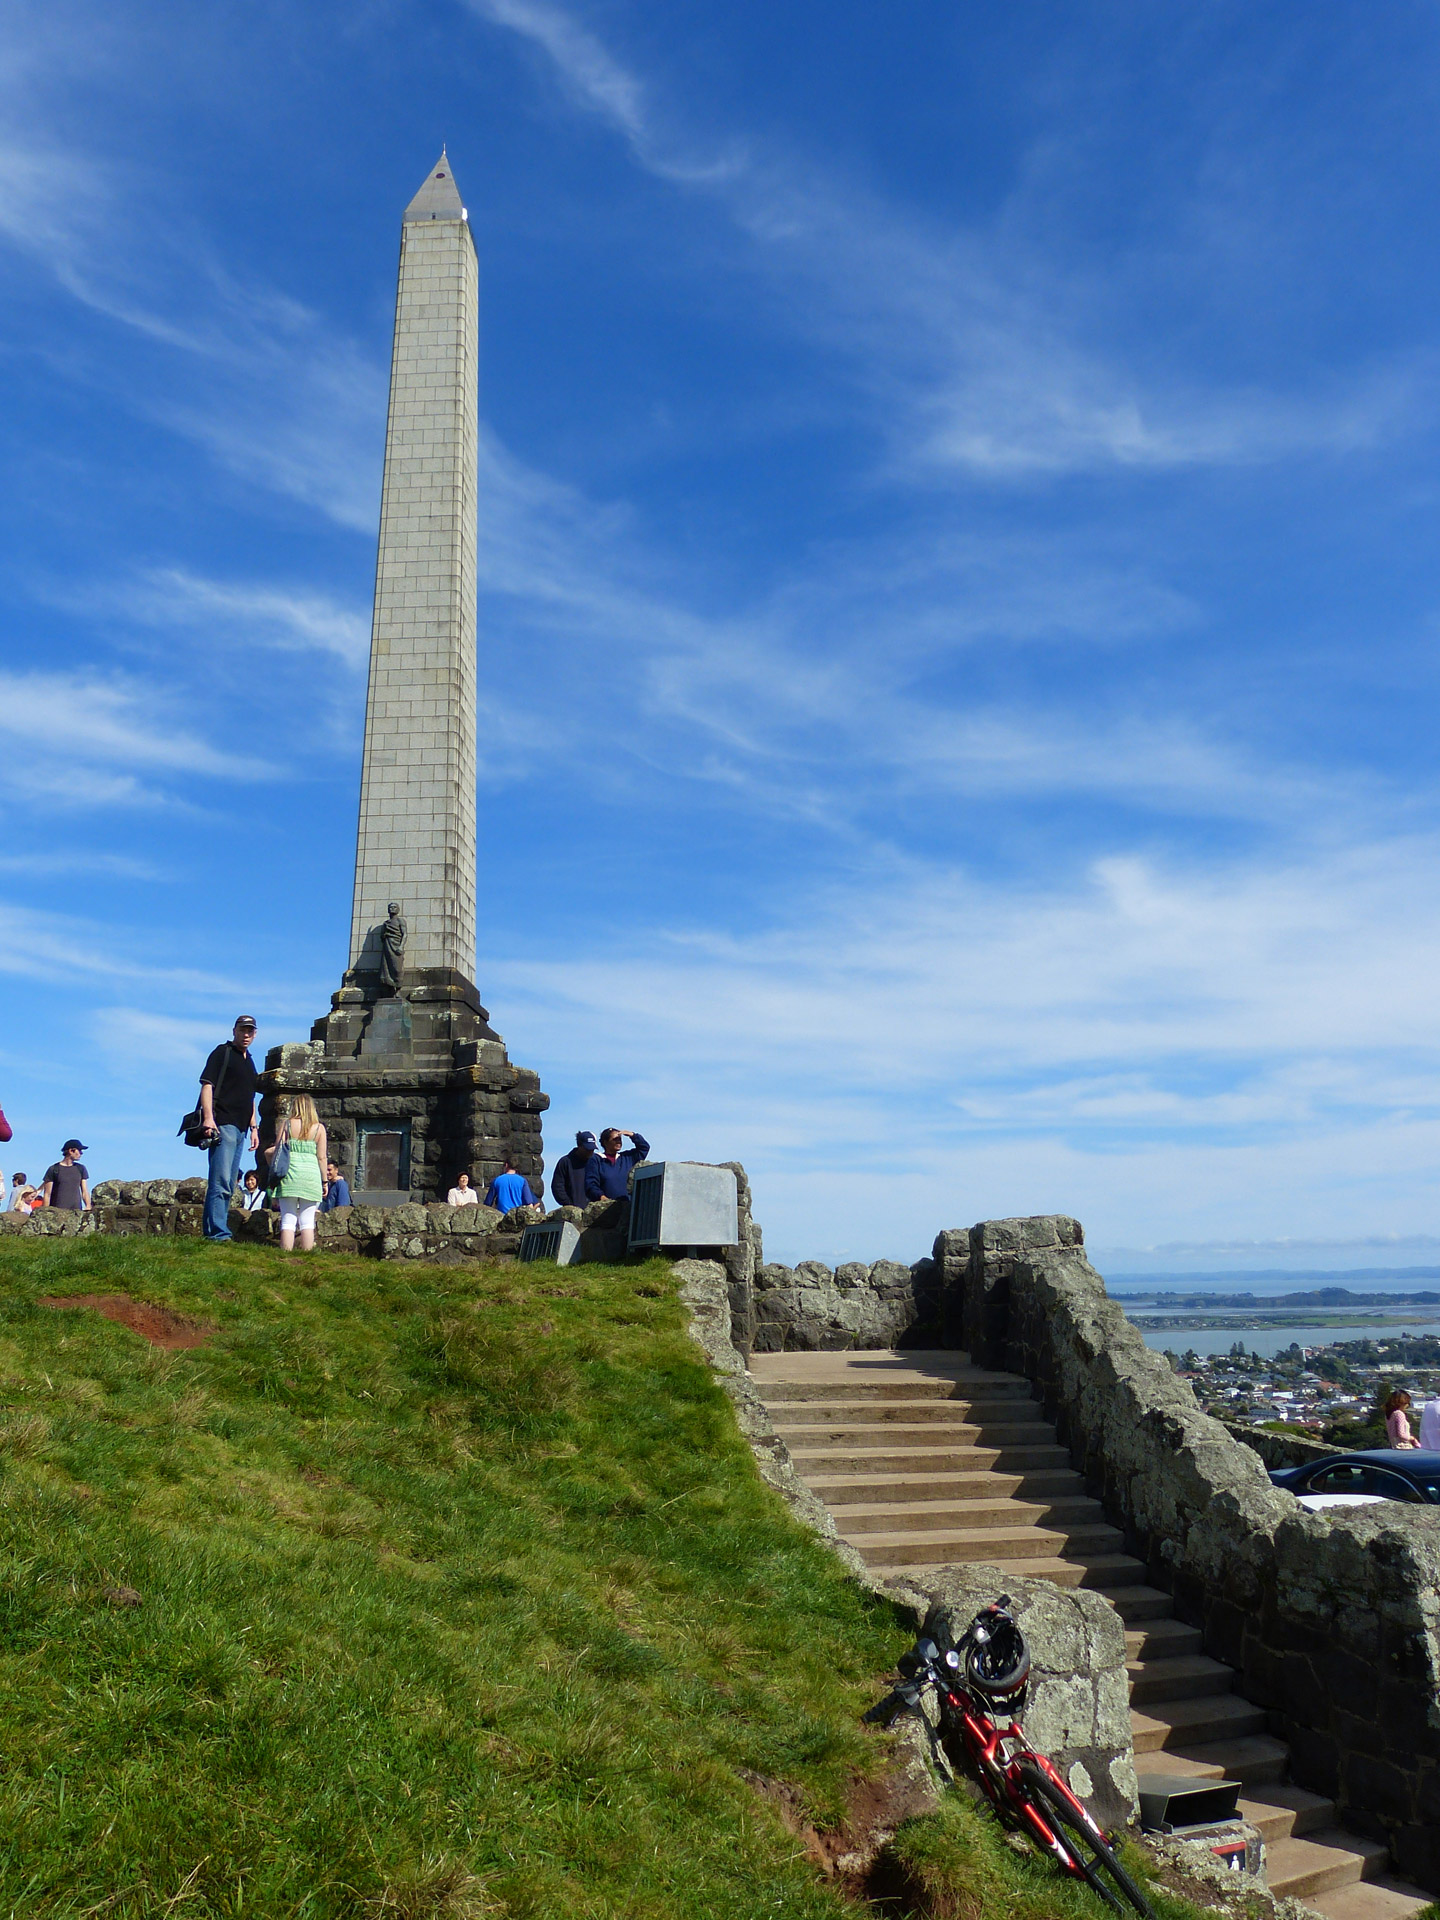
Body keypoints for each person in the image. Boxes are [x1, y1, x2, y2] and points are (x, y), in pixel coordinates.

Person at [198, 1017, 261, 1241]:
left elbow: (250, 1097)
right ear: (234, 1030)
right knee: (222, 1180)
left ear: (255, 1035)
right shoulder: (222, 1053)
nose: (246, 1034)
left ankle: (213, 1231)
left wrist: (254, 1127)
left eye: (250, 1031)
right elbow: (207, 1085)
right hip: (223, 1123)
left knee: (229, 1180)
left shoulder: (250, 1062)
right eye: (242, 1030)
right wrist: (208, 1118)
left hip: (241, 1128)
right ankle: (218, 1233)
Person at [267, 1093, 327, 1254]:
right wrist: (325, 1181)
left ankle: (285, 1254)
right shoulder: (319, 1128)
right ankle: (307, 1256)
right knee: (307, 1221)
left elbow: (278, 1150)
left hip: (289, 1177)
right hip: (311, 1177)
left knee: (288, 1218)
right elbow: (321, 1157)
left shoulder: (287, 1124)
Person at [584, 1127, 650, 1202]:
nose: (618, 1142)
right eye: (615, 1139)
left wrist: (633, 1135)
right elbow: (591, 1183)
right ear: (605, 1142)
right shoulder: (596, 1160)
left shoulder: (626, 1158)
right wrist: (601, 1197)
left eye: (620, 1139)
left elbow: (644, 1148)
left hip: (626, 1206)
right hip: (604, 1207)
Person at [41, 1140, 91, 1212]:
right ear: (71, 1151)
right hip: (57, 1212)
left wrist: (88, 1205)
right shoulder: (54, 1169)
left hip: (76, 1212)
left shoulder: (81, 1168)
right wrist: (45, 1212)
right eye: (79, 1150)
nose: (81, 1153)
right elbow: (47, 1194)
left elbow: (85, 1191)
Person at [551, 1131, 597, 1207]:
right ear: (579, 1146)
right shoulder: (565, 1162)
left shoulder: (597, 1161)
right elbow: (558, 1186)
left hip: (594, 1211)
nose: (590, 1151)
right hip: (573, 1212)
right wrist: (569, 1205)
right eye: (587, 1149)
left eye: (592, 1149)